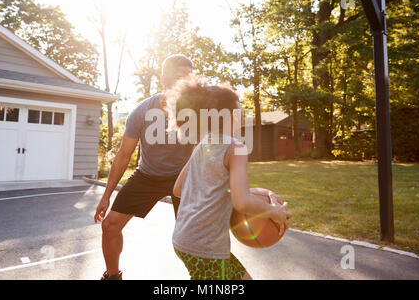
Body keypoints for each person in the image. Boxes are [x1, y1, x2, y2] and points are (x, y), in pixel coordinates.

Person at [166, 76, 291, 280]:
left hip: (184, 239)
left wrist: (218, 195)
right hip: (204, 247)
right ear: (230, 113)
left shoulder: (202, 145)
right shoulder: (236, 148)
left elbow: (178, 189)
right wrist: (273, 212)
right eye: (239, 104)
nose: (243, 109)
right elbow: (241, 201)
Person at [94, 54, 194, 280]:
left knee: (191, 237)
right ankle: (112, 277)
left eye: (189, 78)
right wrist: (106, 195)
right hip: (148, 175)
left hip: (184, 175)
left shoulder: (196, 112)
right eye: (179, 78)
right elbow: (123, 155)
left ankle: (202, 279)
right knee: (109, 225)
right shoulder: (142, 112)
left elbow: (204, 153)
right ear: (163, 80)